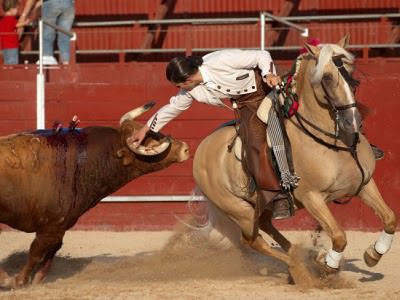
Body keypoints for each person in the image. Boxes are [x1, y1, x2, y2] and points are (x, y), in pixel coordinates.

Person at [128, 49, 293, 220]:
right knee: (254, 144)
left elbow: (261, 55)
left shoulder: (220, 60)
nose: (179, 90)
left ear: (187, 80)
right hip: (247, 104)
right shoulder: (192, 90)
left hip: (268, 84)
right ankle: (277, 196)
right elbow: (172, 108)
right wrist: (146, 129)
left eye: (178, 86)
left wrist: (268, 74)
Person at [18, 0, 75, 64]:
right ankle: (66, 62)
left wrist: (23, 16)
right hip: (69, 4)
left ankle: (47, 59)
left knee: (47, 33)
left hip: (51, 3)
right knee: (64, 35)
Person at [0, 0, 22, 64]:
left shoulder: (2, 21)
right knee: (12, 63)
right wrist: (26, 22)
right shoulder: (11, 19)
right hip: (12, 46)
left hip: (4, 47)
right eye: (17, 9)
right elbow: (18, 25)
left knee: (7, 63)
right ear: (12, 9)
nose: (17, 11)